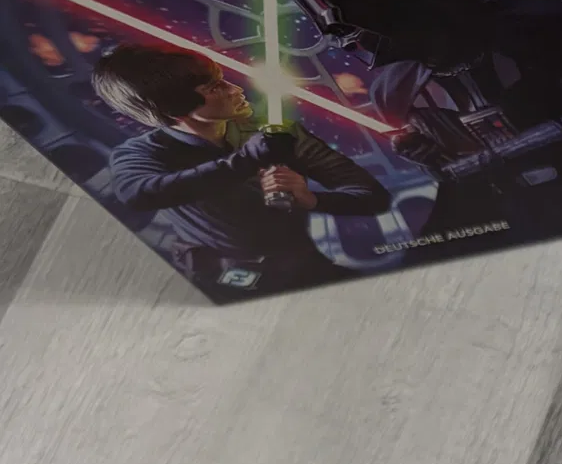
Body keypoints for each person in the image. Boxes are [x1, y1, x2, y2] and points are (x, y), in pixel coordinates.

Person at [286, 0, 562, 241]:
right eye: (338, 32)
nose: (350, 43)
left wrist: (482, 163)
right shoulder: (394, 89)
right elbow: (456, 178)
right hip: (528, 219)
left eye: (349, 23)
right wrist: (431, 157)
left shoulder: (557, 21)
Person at [91, 45, 391, 296]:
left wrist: (311, 199)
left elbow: (372, 196)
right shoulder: (141, 154)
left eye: (222, 80)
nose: (235, 90)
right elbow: (137, 194)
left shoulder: (273, 132)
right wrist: (246, 160)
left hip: (305, 267)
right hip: (224, 283)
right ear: (175, 107)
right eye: (214, 88)